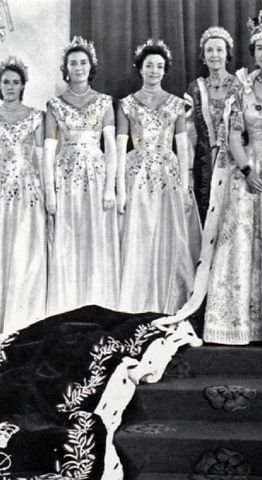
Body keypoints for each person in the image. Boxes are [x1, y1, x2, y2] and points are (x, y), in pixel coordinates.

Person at [154, 4, 262, 347]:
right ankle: (241, 324)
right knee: (243, 247)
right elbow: (232, 134)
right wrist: (247, 170)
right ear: (252, 52)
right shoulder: (241, 86)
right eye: (259, 48)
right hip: (248, 169)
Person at [116, 39, 201, 315]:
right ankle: (136, 299)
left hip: (168, 171)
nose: (154, 71)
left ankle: (170, 296)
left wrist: (186, 185)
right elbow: (120, 144)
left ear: (165, 71)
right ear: (140, 69)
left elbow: (183, 146)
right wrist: (118, 187)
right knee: (140, 230)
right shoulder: (127, 104)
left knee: (168, 231)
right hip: (137, 172)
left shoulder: (176, 104)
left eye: (159, 66)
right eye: (149, 66)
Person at [44, 36, 120, 317]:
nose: (78, 67)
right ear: (66, 68)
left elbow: (111, 147)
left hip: (96, 175)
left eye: (83, 62)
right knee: (68, 236)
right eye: (73, 63)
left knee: (95, 236)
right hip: (65, 176)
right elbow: (49, 151)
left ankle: (97, 301)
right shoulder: (54, 105)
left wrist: (110, 187)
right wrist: (50, 193)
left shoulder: (104, 102)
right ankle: (68, 305)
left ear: (91, 66)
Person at [0, 56, 46, 335]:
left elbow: (40, 157)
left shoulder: (35, 116)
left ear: (23, 86)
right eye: (5, 82)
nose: (10, 87)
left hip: (27, 187)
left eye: (15, 83)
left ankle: (20, 318)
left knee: (24, 250)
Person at [185, 26, 239, 224]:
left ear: (227, 54)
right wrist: (189, 171)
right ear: (203, 56)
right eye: (209, 50)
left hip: (236, 161)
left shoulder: (241, 85)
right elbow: (190, 134)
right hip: (205, 163)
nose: (214, 55)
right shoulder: (195, 88)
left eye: (219, 50)